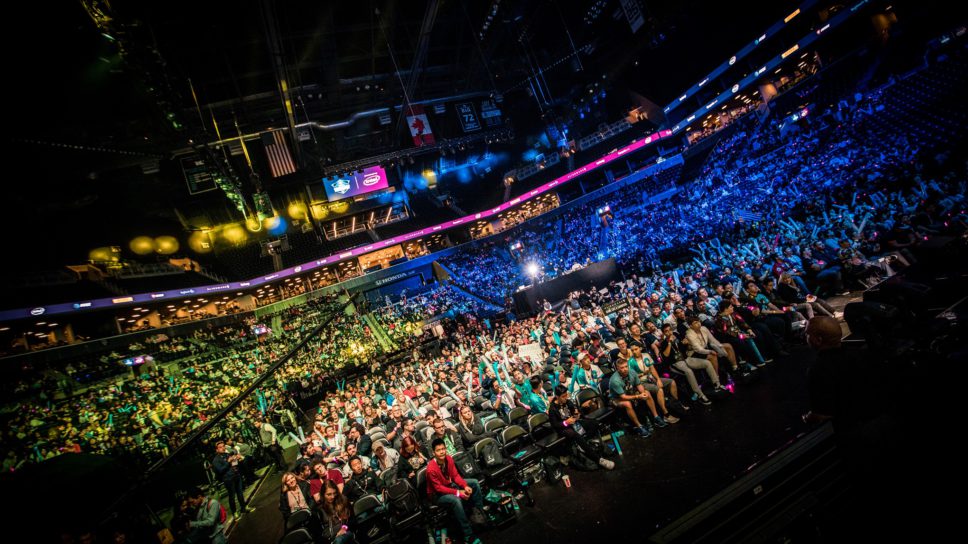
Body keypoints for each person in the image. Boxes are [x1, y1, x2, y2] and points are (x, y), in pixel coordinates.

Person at [426, 438, 485, 544]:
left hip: (449, 485)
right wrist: (458, 493)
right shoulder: (431, 468)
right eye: (438, 450)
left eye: (443, 449)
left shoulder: (449, 458)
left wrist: (464, 486)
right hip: (436, 495)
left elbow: (455, 476)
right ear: (433, 453)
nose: (442, 452)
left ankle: (479, 515)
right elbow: (439, 488)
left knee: (474, 483)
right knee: (456, 500)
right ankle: (468, 535)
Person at [547, 385, 614, 470]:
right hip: (564, 428)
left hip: (574, 423)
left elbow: (576, 411)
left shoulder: (567, 402)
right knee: (574, 434)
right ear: (557, 397)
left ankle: (584, 443)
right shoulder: (552, 409)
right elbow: (555, 424)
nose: (566, 397)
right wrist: (566, 422)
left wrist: (577, 413)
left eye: (566, 395)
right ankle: (599, 460)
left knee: (594, 423)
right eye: (563, 396)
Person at [607, 358, 661, 437]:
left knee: (647, 393)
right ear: (617, 368)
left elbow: (638, 385)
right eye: (622, 367)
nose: (625, 369)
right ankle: (639, 426)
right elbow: (623, 396)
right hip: (616, 399)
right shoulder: (615, 380)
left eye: (626, 366)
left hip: (630, 392)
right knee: (627, 403)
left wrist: (643, 393)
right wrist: (638, 396)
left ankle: (656, 417)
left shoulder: (632, 372)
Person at [212, 440, 253, 520]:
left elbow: (234, 464)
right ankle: (234, 512)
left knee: (240, 493)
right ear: (217, 450)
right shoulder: (216, 460)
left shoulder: (227, 454)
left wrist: (237, 459)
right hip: (228, 479)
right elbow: (220, 470)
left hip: (236, 475)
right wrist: (228, 462)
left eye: (223, 446)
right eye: (220, 447)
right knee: (232, 496)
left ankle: (244, 508)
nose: (223, 448)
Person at [316, 480, 354, 544]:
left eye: (334, 493)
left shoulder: (343, 500)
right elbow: (317, 533)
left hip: (345, 532)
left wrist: (344, 528)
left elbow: (352, 519)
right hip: (329, 539)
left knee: (339, 541)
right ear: (323, 494)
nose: (333, 496)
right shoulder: (319, 509)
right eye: (329, 494)